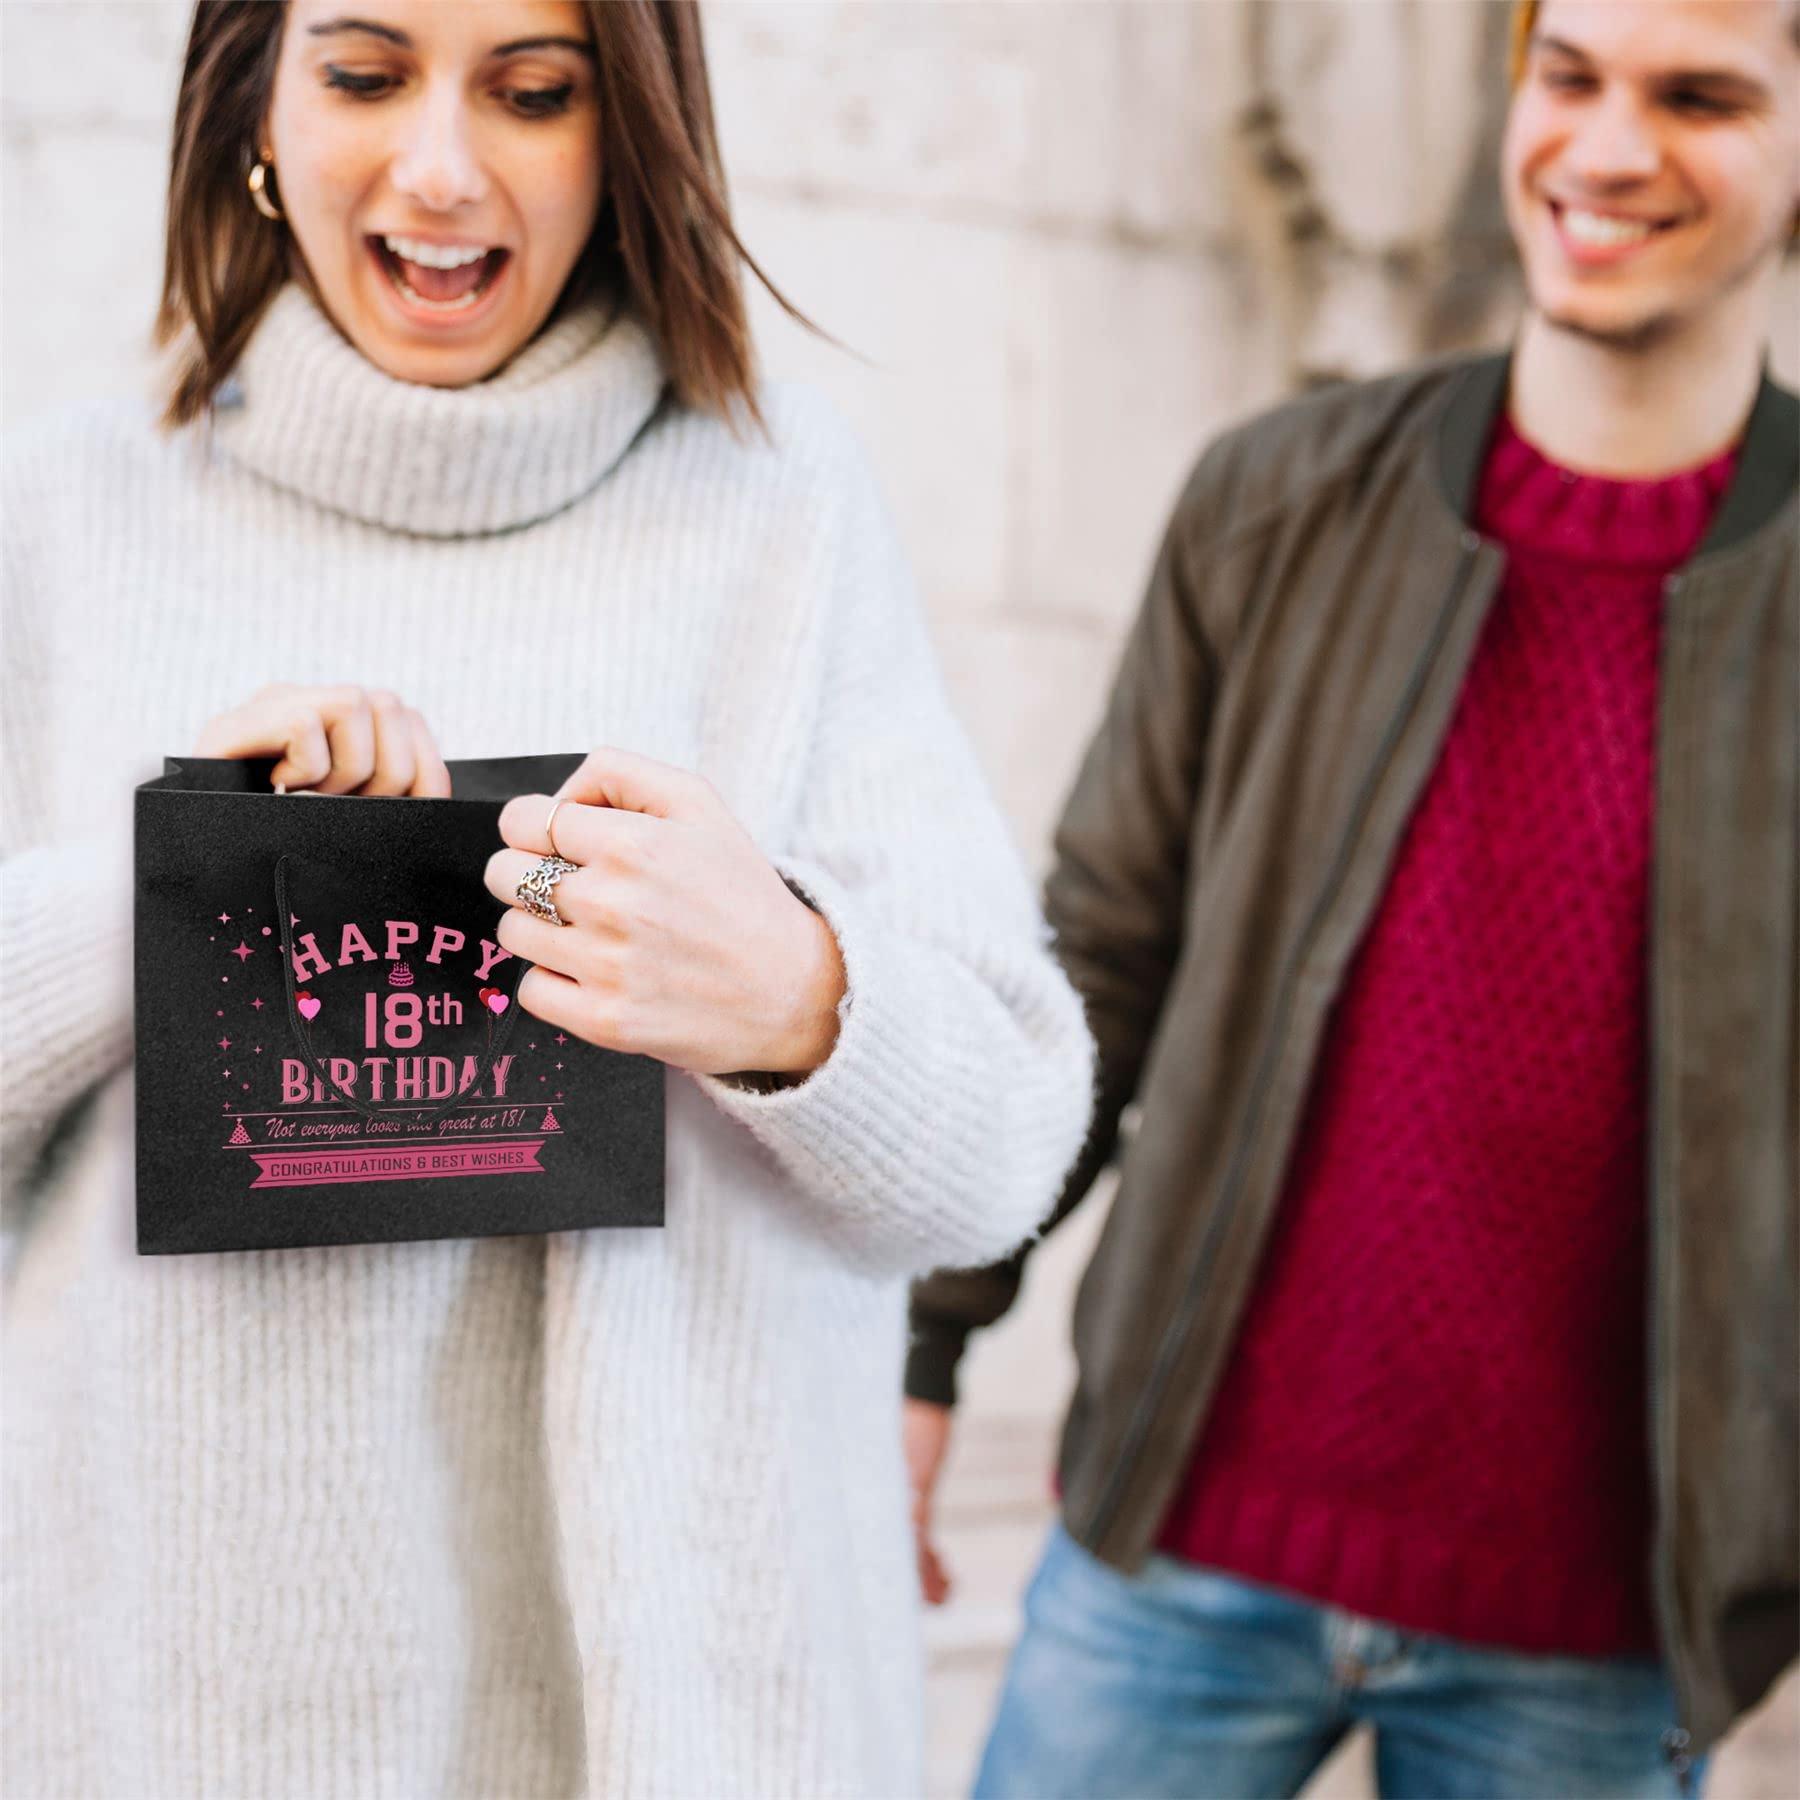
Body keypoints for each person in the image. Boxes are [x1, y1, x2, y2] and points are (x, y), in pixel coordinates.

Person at [0, 3, 1093, 1794]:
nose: (442, 168)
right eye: (364, 77)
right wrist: (163, 888)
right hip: (172, 1716)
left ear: (632, 132)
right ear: (250, 110)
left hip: (685, 1727)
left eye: (533, 92)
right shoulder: (63, 512)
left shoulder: (776, 508)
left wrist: (801, 997)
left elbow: (1004, 1143)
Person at [905, 2, 1798, 1794]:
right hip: (1169, 1552)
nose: (1609, 149)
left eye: (1698, 97)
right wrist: (922, 1345)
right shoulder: (1275, 501)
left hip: (1601, 1647)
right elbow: (1095, 962)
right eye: (1573, 77)